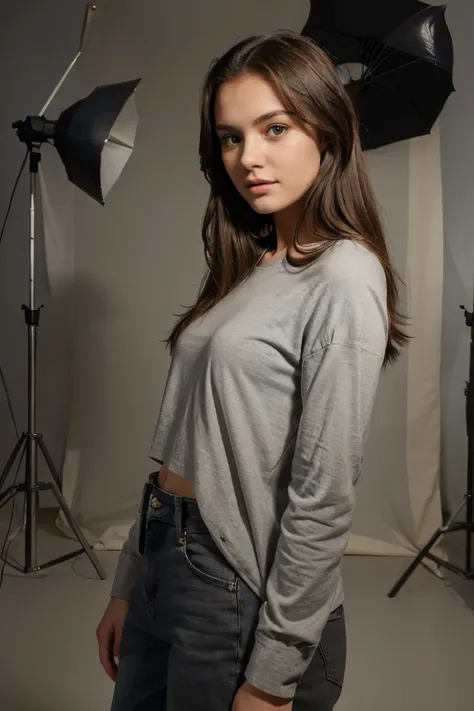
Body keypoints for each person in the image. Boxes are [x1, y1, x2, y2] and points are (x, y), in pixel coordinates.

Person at [96, 29, 410, 711]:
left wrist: (272, 675)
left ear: (325, 130)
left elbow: (323, 491)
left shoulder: (345, 274)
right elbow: (182, 434)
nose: (248, 157)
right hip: (166, 557)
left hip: (234, 582)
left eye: (274, 127)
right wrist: (132, 579)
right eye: (231, 137)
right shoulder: (251, 264)